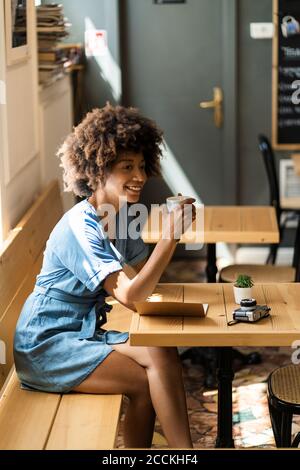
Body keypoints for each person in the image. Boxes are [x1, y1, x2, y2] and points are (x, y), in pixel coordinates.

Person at [14, 103, 195, 449]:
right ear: (98, 170)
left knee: (160, 350)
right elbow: (130, 295)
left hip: (81, 333)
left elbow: (144, 279)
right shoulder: (82, 225)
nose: (140, 176)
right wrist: (170, 237)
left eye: (142, 166)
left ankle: (183, 452)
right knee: (142, 383)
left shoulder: (122, 215)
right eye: (127, 167)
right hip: (46, 343)